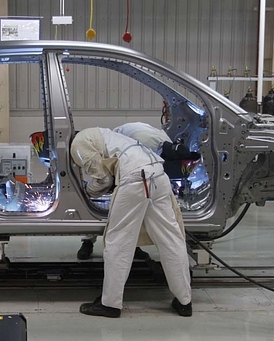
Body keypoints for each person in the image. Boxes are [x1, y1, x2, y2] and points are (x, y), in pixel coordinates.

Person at [71, 127, 192, 318]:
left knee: (118, 241)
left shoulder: (77, 144)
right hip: (159, 176)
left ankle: (110, 304)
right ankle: (184, 301)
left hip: (137, 179)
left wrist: (87, 192)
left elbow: (103, 179)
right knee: (171, 240)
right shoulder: (103, 134)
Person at [76, 122, 177, 260]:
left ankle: (134, 246)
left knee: (131, 210)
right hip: (116, 156)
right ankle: (87, 242)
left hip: (121, 157)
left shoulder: (163, 139)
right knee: (121, 203)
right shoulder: (146, 142)